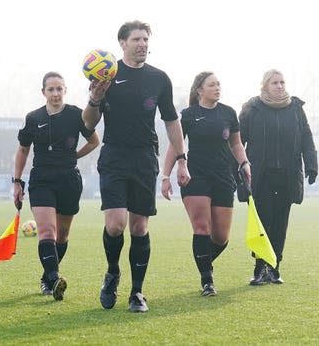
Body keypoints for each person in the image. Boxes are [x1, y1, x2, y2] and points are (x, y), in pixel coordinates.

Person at [83, 20, 191, 313]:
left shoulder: (159, 79)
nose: (142, 44)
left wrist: (181, 160)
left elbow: (171, 121)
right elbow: (87, 123)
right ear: (122, 43)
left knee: (140, 227)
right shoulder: (106, 75)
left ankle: (137, 293)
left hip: (145, 157)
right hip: (114, 156)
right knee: (116, 225)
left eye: (145, 39)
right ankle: (112, 273)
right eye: (136, 40)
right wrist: (94, 99)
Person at [161, 72, 251, 297]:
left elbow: (236, 143)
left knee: (221, 237)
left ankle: (203, 263)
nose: (217, 88)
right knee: (202, 228)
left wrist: (244, 162)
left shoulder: (229, 113)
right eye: (212, 85)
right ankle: (207, 281)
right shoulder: (189, 115)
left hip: (223, 177)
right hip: (195, 176)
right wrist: (166, 175)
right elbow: (175, 145)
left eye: (219, 84)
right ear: (199, 90)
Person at [13, 72, 100, 301]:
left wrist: (74, 156)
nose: (55, 93)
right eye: (50, 89)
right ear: (43, 92)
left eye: (59, 89)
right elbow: (23, 150)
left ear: (65, 90)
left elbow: (94, 141)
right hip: (42, 179)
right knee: (47, 232)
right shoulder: (33, 118)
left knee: (62, 234)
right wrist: (17, 181)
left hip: (69, 180)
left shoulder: (76, 114)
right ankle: (54, 280)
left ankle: (47, 278)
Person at [238, 69, 318, 285]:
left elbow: (306, 138)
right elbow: (238, 141)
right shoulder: (251, 108)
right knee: (263, 221)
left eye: (282, 82)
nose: (280, 86)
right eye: (275, 82)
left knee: (280, 222)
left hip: (287, 176)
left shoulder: (295, 109)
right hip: (259, 176)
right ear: (265, 85)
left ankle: (275, 267)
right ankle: (259, 267)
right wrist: (236, 170)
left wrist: (311, 164)